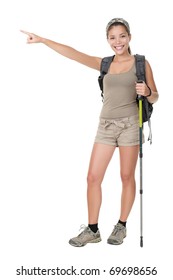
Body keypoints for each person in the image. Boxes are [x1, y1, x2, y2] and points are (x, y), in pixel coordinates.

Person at [21, 18, 158, 247]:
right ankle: (93, 230)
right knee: (93, 177)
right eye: (112, 37)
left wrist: (148, 91)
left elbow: (155, 96)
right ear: (108, 40)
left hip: (130, 124)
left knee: (126, 177)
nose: (118, 41)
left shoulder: (141, 63)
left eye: (122, 36)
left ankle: (121, 226)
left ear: (129, 37)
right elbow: (73, 53)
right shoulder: (104, 63)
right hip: (105, 125)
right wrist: (43, 40)